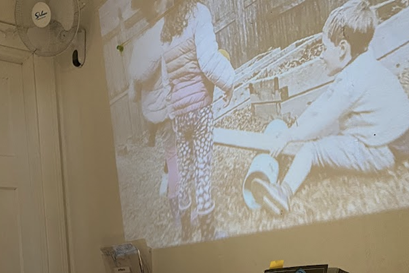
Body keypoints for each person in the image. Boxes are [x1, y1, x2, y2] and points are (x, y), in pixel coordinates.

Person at [253, 0, 409, 216]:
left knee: (312, 149)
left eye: (324, 48)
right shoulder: (364, 60)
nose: (320, 55)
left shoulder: (350, 84)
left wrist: (289, 136)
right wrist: (295, 128)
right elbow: (324, 102)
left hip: (380, 150)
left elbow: (322, 119)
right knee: (329, 129)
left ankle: (282, 193)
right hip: (398, 138)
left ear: (343, 49)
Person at [160, 0, 235, 240]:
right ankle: (208, 231)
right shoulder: (199, 13)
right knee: (202, 168)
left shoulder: (166, 27)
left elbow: (165, 79)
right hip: (200, 108)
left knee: (184, 170)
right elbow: (209, 61)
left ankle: (185, 231)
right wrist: (229, 83)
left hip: (180, 114)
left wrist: (172, 111)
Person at [129, 0, 180, 224]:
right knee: (177, 154)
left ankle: (172, 190)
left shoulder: (139, 43)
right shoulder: (163, 33)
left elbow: (132, 95)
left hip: (155, 109)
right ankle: (179, 208)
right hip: (169, 106)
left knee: (173, 153)